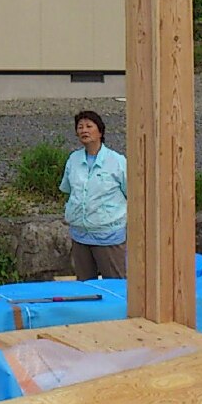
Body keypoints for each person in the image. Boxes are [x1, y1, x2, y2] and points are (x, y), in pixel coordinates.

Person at [59, 110, 128, 280]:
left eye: (89, 126)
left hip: (108, 235)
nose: (84, 130)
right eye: (80, 127)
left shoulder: (117, 161)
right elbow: (67, 189)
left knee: (115, 284)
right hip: (80, 234)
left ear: (100, 132)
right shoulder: (73, 159)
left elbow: (131, 192)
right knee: (85, 287)